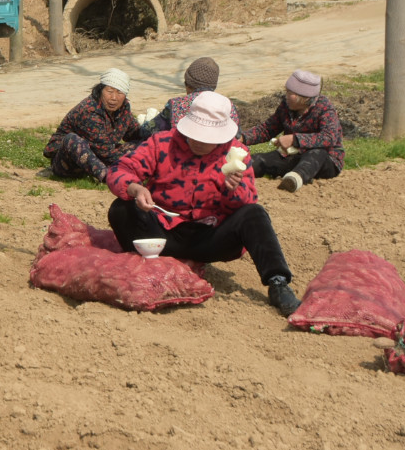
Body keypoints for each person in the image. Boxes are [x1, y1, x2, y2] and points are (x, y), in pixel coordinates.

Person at [105, 91, 301, 315]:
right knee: (121, 209)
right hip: (161, 232)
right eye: (195, 135)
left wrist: (233, 189)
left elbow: (246, 204)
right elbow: (119, 170)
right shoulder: (162, 143)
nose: (199, 142)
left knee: (255, 213)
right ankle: (148, 262)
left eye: (207, 138)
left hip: (210, 237)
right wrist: (135, 188)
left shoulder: (237, 153)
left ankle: (278, 283)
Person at [239, 69, 344, 192]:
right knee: (257, 160)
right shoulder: (286, 106)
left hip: (324, 160)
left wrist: (294, 139)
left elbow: (329, 137)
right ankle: (234, 171)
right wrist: (243, 138)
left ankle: (295, 178)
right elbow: (268, 129)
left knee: (317, 152)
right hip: (292, 156)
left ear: (304, 98)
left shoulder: (324, 109)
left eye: (290, 93)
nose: (286, 96)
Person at [40, 68, 150, 183]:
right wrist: (134, 161)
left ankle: (132, 169)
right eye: (110, 91)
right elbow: (104, 152)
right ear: (101, 90)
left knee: (145, 144)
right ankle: (109, 177)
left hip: (101, 154)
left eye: (119, 93)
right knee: (72, 140)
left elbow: (135, 133)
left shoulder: (123, 108)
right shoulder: (89, 110)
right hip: (69, 162)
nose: (114, 98)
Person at [148, 56, 241, 134]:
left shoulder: (176, 104)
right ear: (213, 86)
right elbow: (237, 136)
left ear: (187, 84)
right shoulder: (228, 105)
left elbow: (148, 130)